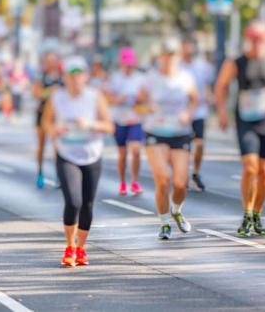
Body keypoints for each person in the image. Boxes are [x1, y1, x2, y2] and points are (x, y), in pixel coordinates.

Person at [215, 21, 265, 237]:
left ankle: (257, 213)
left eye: (260, 39)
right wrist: (222, 112)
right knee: (250, 167)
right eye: (253, 39)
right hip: (245, 120)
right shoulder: (237, 62)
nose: (256, 43)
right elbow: (221, 85)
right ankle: (247, 213)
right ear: (247, 39)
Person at [42, 55, 114, 267]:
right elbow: (46, 122)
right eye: (71, 75)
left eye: (79, 75)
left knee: (87, 203)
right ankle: (70, 246)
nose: (75, 79)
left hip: (91, 153)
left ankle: (81, 247)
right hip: (67, 153)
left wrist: (90, 124)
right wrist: (54, 129)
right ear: (64, 77)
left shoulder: (95, 97)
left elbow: (109, 126)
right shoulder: (56, 97)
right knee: (73, 201)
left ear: (86, 76)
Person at [138, 38, 198, 240]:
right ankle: (164, 224)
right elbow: (138, 104)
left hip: (180, 133)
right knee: (163, 179)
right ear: (161, 56)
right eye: (166, 54)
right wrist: (147, 108)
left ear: (178, 56)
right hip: (155, 132)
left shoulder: (185, 77)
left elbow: (194, 99)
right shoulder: (151, 78)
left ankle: (176, 210)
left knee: (181, 183)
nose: (169, 58)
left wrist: (188, 114)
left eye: (173, 54)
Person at [106, 47, 146, 195]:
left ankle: (134, 181)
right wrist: (119, 99)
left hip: (135, 118)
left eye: (131, 63)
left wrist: (140, 100)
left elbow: (146, 97)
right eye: (126, 63)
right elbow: (107, 98)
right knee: (122, 154)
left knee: (136, 151)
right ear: (121, 63)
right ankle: (122, 181)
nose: (129, 66)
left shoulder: (141, 78)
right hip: (119, 119)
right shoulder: (115, 78)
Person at [180, 37, 214, 192]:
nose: (188, 50)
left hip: (199, 110)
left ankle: (196, 172)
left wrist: (209, 95)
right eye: (185, 47)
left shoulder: (202, 66)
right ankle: (183, 174)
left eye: (190, 47)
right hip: (182, 112)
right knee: (185, 146)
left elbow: (207, 85)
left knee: (199, 144)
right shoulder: (177, 66)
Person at [33, 51, 63, 189]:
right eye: (48, 60)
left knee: (58, 146)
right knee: (41, 145)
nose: (51, 63)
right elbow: (36, 94)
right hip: (42, 114)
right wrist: (50, 91)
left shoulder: (62, 77)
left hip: (57, 116)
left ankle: (59, 175)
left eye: (53, 60)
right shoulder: (41, 76)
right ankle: (40, 172)